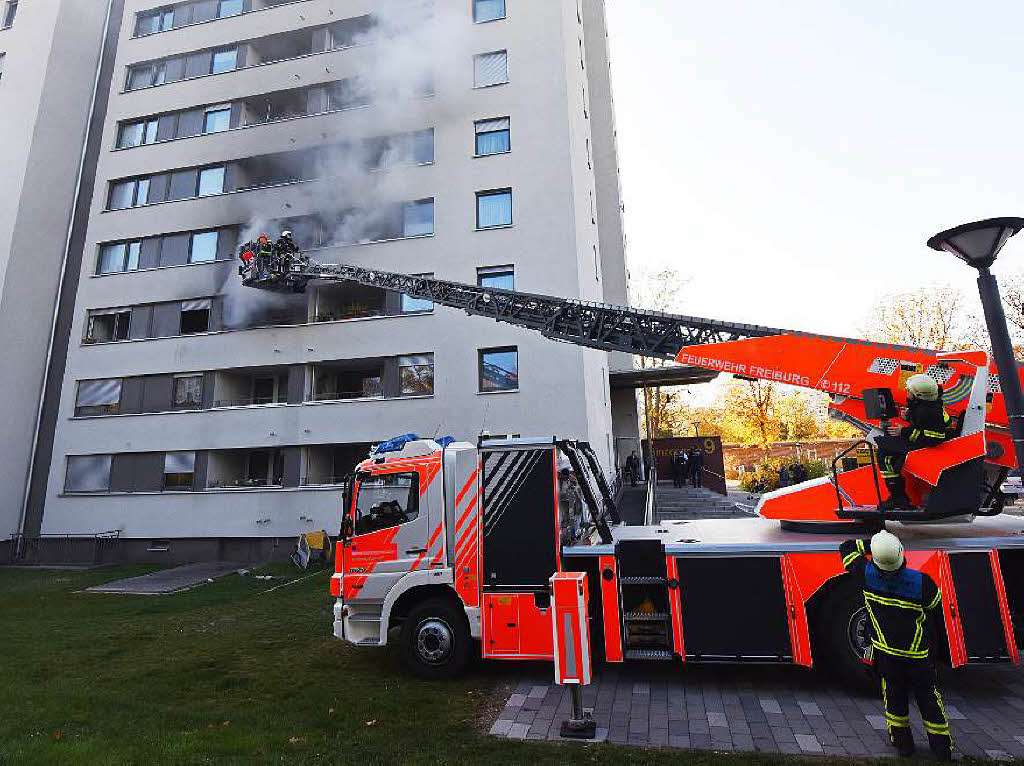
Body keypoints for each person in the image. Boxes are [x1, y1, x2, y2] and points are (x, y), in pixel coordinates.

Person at [840, 531, 951, 760]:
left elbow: (847, 548)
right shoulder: (922, 583)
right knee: (929, 700)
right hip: (918, 656)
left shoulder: (866, 575)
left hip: (887, 655)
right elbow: (936, 613)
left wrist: (873, 544)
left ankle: (903, 745)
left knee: (894, 699)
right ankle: (941, 749)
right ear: (901, 554)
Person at [876, 374, 956, 511]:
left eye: (909, 392)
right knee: (887, 445)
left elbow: (933, 438)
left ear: (918, 396)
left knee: (885, 455)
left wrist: (904, 432)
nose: (907, 394)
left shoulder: (928, 411)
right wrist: (909, 416)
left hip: (933, 446)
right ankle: (898, 497)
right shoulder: (930, 403)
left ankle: (898, 498)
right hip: (931, 440)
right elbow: (926, 424)